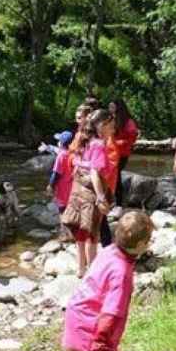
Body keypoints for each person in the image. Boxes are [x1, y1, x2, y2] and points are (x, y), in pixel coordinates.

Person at [40, 211, 154, 351]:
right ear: (141, 244)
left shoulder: (110, 250)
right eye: (148, 240)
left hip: (78, 309)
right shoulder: (121, 272)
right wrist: (102, 349)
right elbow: (110, 314)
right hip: (96, 321)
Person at [62, 110, 115, 277]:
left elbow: (76, 165)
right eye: (111, 125)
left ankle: (81, 268)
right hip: (90, 192)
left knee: (80, 231)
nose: (113, 129)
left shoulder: (84, 140)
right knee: (92, 234)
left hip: (77, 188)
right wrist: (100, 197)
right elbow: (95, 172)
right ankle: (92, 270)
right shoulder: (99, 145)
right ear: (102, 125)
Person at [109, 98, 139, 207]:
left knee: (116, 176)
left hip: (122, 154)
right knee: (112, 176)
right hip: (112, 153)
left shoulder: (128, 121)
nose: (110, 109)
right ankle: (114, 200)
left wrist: (119, 142)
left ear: (118, 107)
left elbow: (133, 136)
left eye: (112, 106)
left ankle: (119, 202)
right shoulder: (111, 118)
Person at [46, 130, 75, 215]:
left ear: (61, 143)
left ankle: (64, 227)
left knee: (63, 212)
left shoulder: (61, 155)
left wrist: (50, 186)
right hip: (72, 188)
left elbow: (56, 173)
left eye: (59, 141)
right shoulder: (73, 153)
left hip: (63, 190)